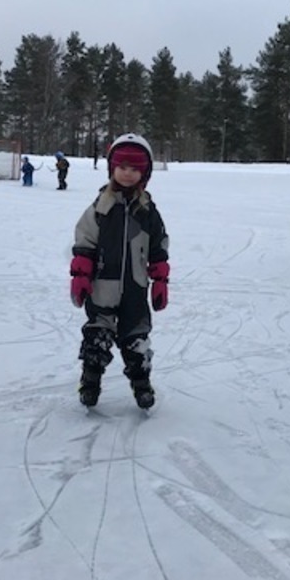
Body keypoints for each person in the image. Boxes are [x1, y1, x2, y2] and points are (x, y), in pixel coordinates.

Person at [69, 133, 170, 409]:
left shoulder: (147, 211)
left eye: (135, 169)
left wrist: (160, 279)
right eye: (122, 167)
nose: (128, 174)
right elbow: (85, 240)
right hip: (102, 285)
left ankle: (142, 385)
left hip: (135, 287)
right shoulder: (102, 206)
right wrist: (81, 274)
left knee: (135, 340)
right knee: (97, 339)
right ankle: (89, 383)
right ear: (112, 168)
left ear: (145, 173)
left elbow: (159, 246)